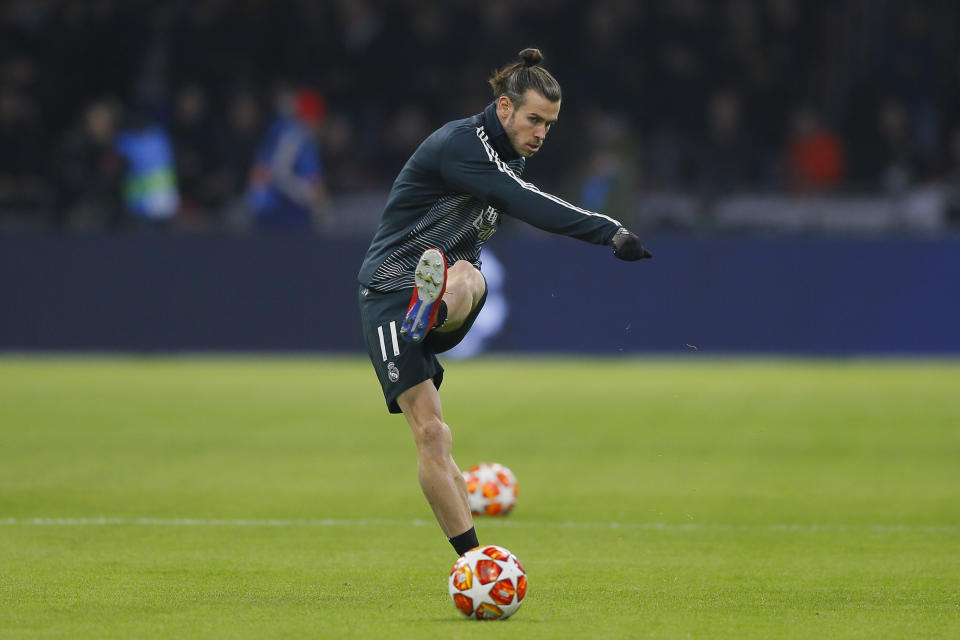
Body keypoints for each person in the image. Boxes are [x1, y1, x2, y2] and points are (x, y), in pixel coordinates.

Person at [357, 48, 651, 557]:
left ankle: (428, 314)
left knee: (468, 277)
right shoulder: (462, 146)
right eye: (534, 119)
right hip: (388, 291)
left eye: (550, 124)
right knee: (433, 434)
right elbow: (527, 203)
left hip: (438, 295)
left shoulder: (504, 154)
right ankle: (474, 561)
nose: (541, 133)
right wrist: (610, 231)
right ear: (504, 107)